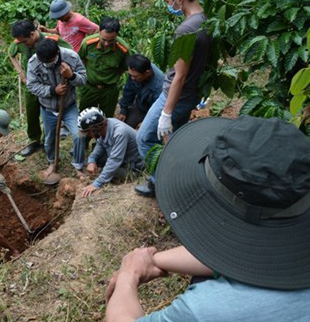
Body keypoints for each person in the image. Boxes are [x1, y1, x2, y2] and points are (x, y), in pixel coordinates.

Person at [105, 115, 310, 322]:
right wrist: (153, 260)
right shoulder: (292, 205)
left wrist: (127, 277)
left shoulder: (210, 309)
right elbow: (244, 256)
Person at [135, 0, 211, 198]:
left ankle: (163, 182)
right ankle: (178, 178)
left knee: (145, 138)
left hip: (174, 96)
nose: (169, 6)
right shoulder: (206, 20)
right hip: (190, 96)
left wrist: (166, 112)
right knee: (175, 140)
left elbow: (179, 75)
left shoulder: (186, 29)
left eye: (168, 1)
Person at [9, 20, 73, 157]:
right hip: (32, 85)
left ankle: (47, 142)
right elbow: (11, 54)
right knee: (32, 114)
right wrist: (21, 74)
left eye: (25, 41)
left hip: (52, 85)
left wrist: (66, 72)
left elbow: (71, 54)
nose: (23, 44)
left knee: (49, 114)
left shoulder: (53, 40)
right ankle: (34, 140)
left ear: (32, 34)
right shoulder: (20, 42)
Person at [26, 37, 87, 177]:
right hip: (48, 108)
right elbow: (32, 86)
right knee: (49, 139)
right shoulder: (34, 62)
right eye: (45, 63)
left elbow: (83, 79)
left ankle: (78, 165)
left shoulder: (71, 57)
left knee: (79, 134)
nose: (48, 65)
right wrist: (53, 90)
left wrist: (71, 76)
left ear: (57, 53)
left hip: (69, 106)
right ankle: (52, 162)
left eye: (51, 61)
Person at [74, 108, 144, 197]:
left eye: (88, 133)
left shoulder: (119, 133)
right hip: (123, 158)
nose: (88, 136)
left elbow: (114, 161)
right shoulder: (105, 126)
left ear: (95, 129)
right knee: (98, 159)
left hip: (134, 168)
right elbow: (100, 145)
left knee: (109, 170)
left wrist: (96, 184)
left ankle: (127, 175)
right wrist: (91, 160)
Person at [77, 17, 130, 117]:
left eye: (111, 41)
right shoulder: (88, 44)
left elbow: (124, 68)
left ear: (117, 35)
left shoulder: (123, 49)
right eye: (104, 39)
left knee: (107, 119)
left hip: (109, 91)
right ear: (99, 32)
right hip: (89, 88)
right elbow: (81, 61)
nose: (107, 44)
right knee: (85, 117)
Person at [117, 55, 165, 129]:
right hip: (140, 105)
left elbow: (158, 109)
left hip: (155, 110)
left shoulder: (159, 85)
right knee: (123, 127)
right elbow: (129, 91)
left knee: (146, 134)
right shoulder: (135, 71)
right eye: (130, 75)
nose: (132, 78)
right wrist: (124, 110)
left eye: (135, 76)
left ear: (147, 73)